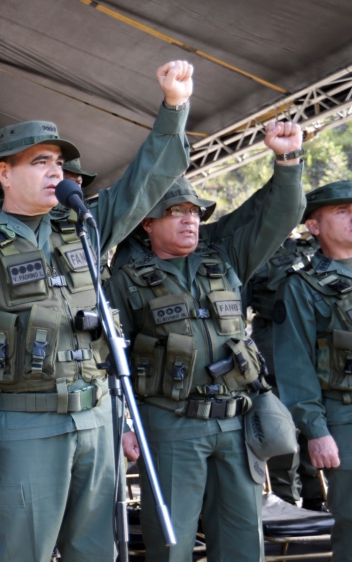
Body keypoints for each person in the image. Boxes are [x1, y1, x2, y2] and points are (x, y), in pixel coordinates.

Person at [0, 60, 194, 562]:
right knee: (26, 550)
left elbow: (145, 181)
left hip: (96, 417)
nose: (55, 172)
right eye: (39, 161)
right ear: (4, 173)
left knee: (96, 551)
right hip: (26, 423)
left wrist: (173, 107)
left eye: (58, 163)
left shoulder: (84, 228)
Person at [112, 122, 305, 562]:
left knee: (242, 539)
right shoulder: (126, 279)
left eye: (196, 212)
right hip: (170, 422)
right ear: (147, 223)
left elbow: (281, 215)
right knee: (171, 541)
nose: (190, 219)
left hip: (237, 422)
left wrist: (288, 161)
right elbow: (110, 356)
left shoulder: (226, 259)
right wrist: (123, 424)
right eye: (177, 212)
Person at [273, 180, 352, 561]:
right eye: (342, 211)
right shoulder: (302, 285)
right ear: (314, 226)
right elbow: (295, 366)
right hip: (345, 415)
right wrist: (316, 431)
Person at [246, 233, 324, 509]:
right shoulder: (255, 248)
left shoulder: (316, 246)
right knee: (280, 422)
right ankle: (286, 498)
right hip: (273, 339)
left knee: (316, 417)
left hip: (318, 337)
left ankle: (316, 496)